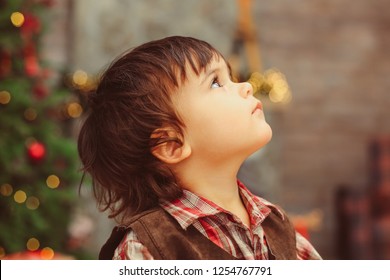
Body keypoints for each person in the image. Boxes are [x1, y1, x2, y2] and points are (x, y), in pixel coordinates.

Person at [77, 36, 322, 260]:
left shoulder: (277, 225)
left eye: (232, 77)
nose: (246, 86)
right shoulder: (145, 248)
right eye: (216, 83)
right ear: (172, 144)